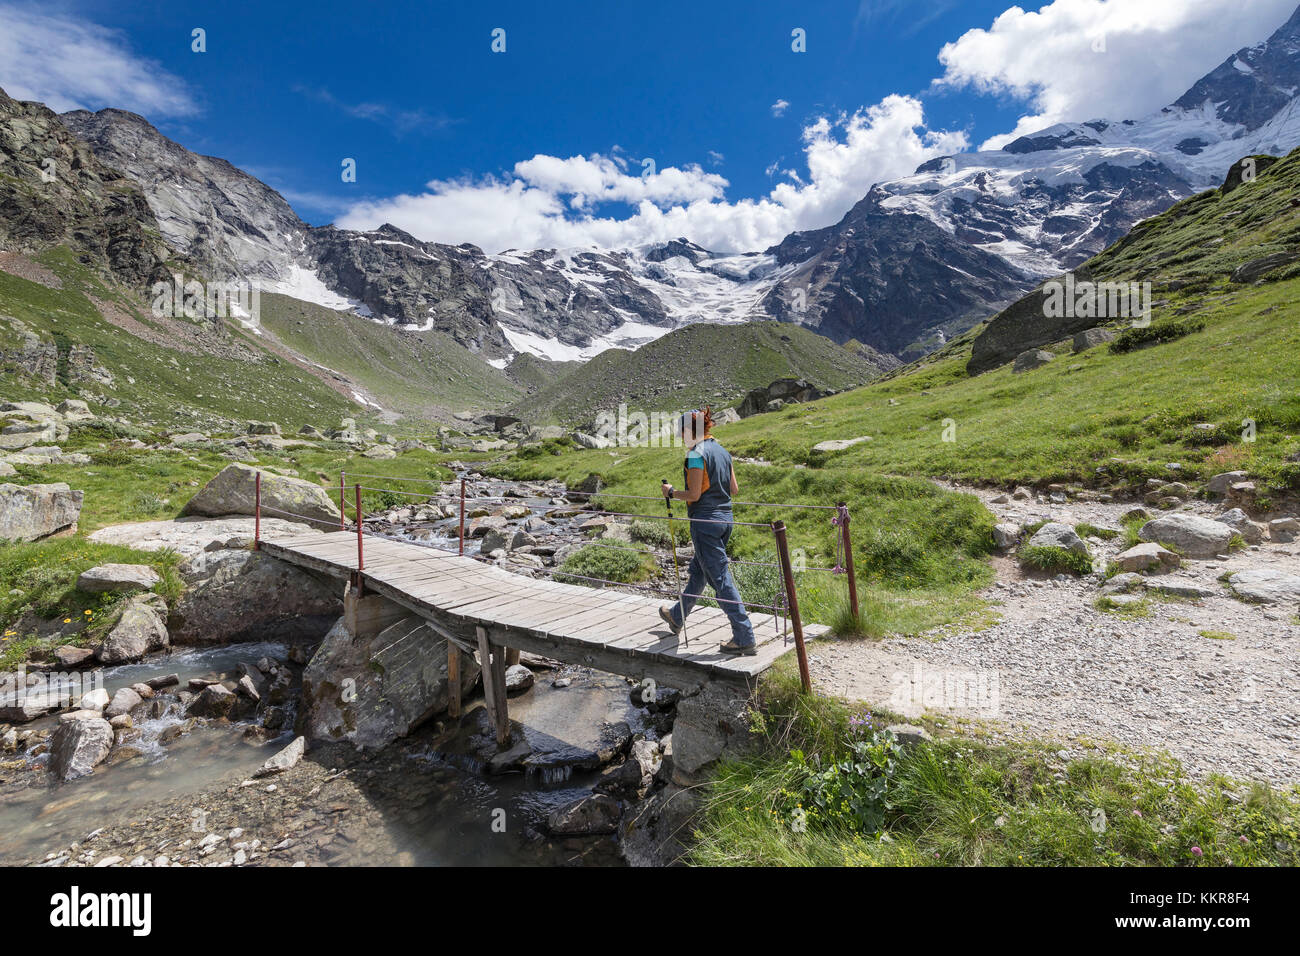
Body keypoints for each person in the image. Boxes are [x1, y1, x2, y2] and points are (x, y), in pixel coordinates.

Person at [659, 407, 756, 655]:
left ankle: (744, 636)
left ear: (690, 430)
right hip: (726, 520)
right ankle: (677, 616)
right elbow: (733, 489)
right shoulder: (723, 452)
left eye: (681, 432)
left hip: (704, 522)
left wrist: (670, 492)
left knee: (720, 579)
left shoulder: (695, 454)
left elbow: (693, 494)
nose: (681, 436)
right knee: (700, 571)